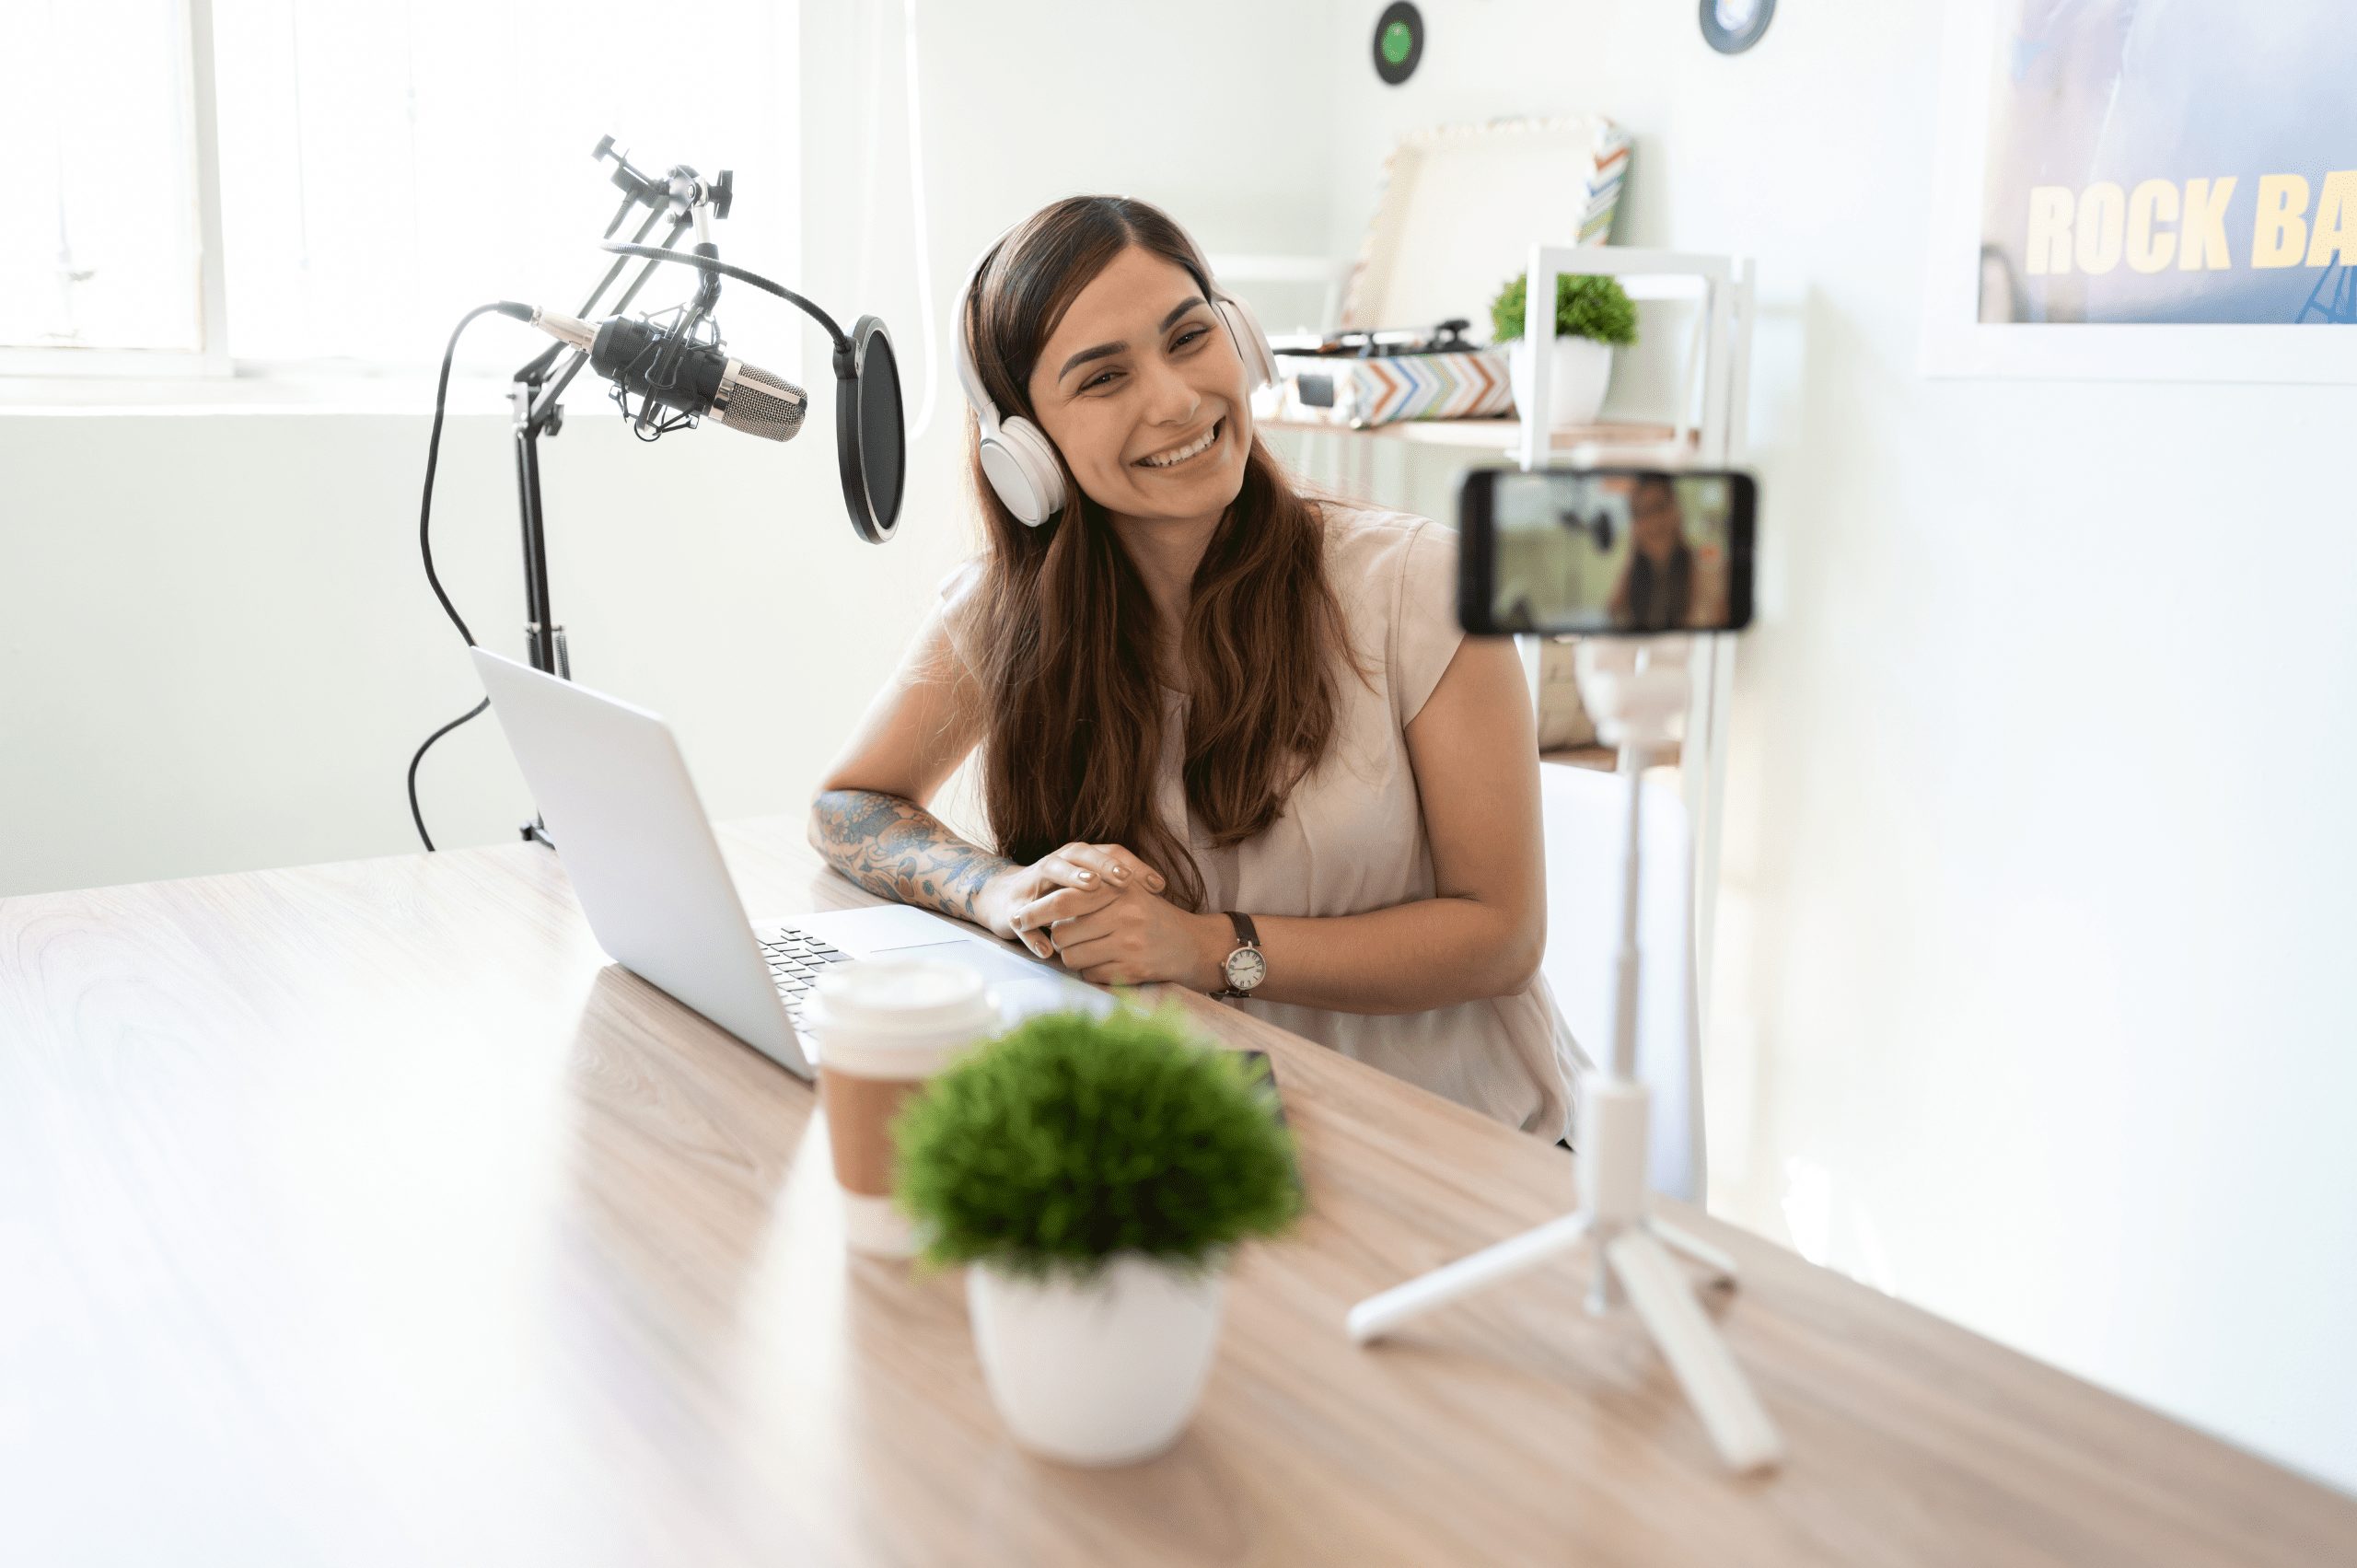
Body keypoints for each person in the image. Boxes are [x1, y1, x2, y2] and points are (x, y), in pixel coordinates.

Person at [807, 196, 1581, 1140]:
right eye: (1102, 378)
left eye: (1188, 337)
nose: (1174, 399)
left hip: (1444, 1136)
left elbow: (1499, 933)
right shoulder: (1006, 611)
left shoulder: (1423, 584)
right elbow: (847, 804)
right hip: (1192, 1123)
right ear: (1025, 449)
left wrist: (1212, 948)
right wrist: (996, 888)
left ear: (1240, 340)